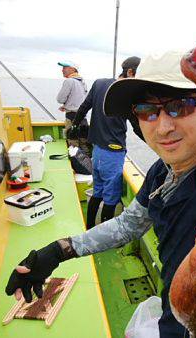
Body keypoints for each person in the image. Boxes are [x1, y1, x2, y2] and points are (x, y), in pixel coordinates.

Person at [5, 50, 196, 337]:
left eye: (179, 106)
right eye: (147, 111)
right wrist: (59, 250)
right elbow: (129, 224)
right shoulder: (162, 171)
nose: (163, 126)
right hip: (174, 315)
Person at [70, 56, 142, 229]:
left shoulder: (99, 83)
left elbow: (84, 107)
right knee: (110, 198)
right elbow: (137, 126)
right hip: (113, 153)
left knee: (98, 192)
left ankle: (88, 228)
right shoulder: (128, 94)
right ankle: (103, 237)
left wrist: (74, 125)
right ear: (130, 72)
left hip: (98, 151)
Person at [56, 61, 89, 151]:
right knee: (84, 142)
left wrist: (65, 105)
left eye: (64, 68)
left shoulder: (69, 81)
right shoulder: (82, 81)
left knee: (73, 143)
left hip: (72, 117)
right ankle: (86, 162)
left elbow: (60, 99)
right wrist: (67, 105)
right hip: (83, 117)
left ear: (72, 69)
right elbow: (82, 99)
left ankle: (76, 163)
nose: (62, 70)